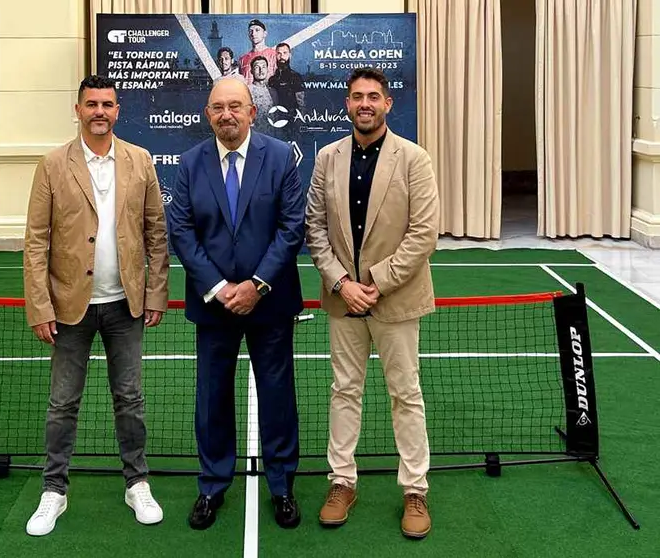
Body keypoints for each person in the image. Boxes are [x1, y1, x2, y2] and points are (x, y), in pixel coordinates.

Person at [22, 75, 170, 536]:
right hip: (70, 307)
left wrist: (155, 292)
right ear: (78, 109)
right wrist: (41, 306)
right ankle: (54, 491)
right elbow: (35, 242)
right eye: (92, 104)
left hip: (125, 304)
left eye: (107, 104)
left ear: (118, 110)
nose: (99, 111)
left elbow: (156, 234)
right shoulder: (52, 164)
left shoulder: (140, 161)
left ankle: (137, 482)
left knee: (130, 398)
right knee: (63, 403)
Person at [304, 67, 439, 539]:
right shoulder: (327, 158)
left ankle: (414, 490)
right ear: (347, 103)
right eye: (357, 96)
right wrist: (343, 283)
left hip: (395, 301)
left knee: (406, 395)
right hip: (344, 302)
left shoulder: (414, 159)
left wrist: (375, 284)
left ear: (387, 104)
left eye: (373, 97)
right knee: (345, 392)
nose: (365, 103)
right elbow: (315, 228)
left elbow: (423, 234)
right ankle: (342, 482)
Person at [168, 77, 305, 530]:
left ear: (252, 111)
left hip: (269, 303)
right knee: (212, 398)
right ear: (208, 114)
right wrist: (219, 288)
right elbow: (183, 232)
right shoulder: (189, 164)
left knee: (277, 397)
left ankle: (282, 485)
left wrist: (256, 285)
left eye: (235, 106)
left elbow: (291, 227)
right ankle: (211, 485)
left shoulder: (282, 158)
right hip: (213, 306)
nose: (227, 114)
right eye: (217, 107)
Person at [238, 19, 277, 83]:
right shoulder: (243, 59)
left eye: (257, 30)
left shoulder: (274, 55)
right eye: (251, 31)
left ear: (265, 34)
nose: (253, 34)